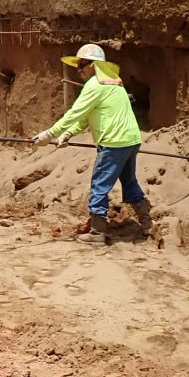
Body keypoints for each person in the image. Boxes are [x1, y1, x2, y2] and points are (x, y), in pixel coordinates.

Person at [30, 43, 152, 244]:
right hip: (131, 141)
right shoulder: (114, 83)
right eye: (78, 65)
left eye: (82, 65)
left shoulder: (95, 85)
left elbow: (74, 113)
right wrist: (68, 133)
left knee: (99, 186)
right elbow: (87, 117)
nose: (79, 69)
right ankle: (146, 223)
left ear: (94, 65)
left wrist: (49, 134)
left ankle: (97, 233)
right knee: (129, 182)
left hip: (113, 142)